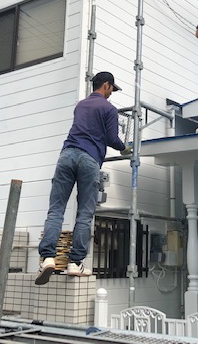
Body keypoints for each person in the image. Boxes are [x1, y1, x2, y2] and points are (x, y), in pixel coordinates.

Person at [35, 71, 131, 285]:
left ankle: (48, 258)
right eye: (112, 89)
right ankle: (75, 262)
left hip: (67, 155)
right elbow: (111, 138)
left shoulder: (80, 105)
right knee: (85, 213)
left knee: (56, 210)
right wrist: (124, 148)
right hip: (89, 159)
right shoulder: (109, 109)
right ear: (106, 85)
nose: (111, 94)